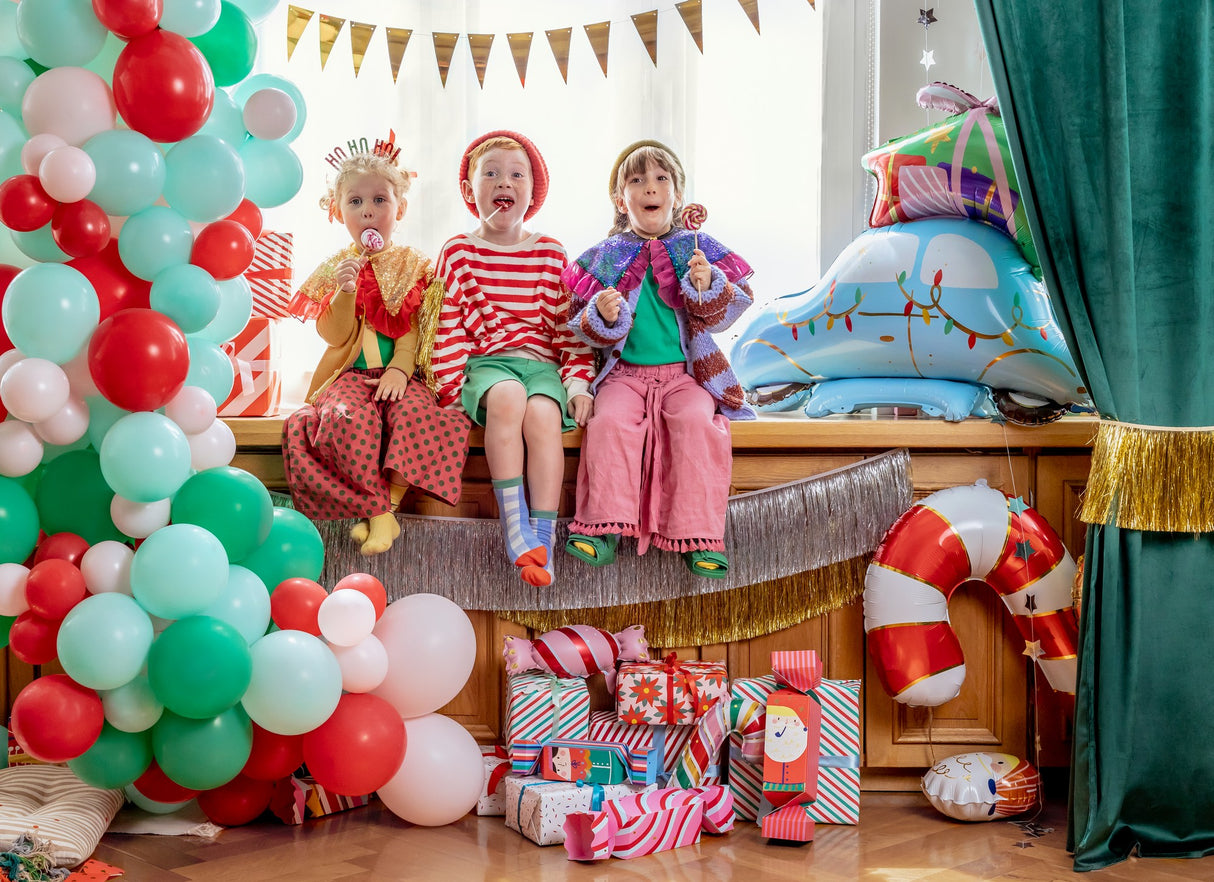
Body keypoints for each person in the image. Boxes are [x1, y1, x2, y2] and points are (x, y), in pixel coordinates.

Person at [561, 139, 756, 578]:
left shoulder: (697, 249)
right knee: (608, 424)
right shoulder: (605, 257)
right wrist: (603, 315)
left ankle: (698, 535)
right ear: (620, 199)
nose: (650, 187)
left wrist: (706, 286)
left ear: (678, 196)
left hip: (685, 375)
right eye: (637, 180)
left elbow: (728, 312)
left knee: (696, 425)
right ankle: (600, 529)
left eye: (661, 178)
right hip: (623, 376)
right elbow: (578, 323)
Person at [282, 139, 471, 556]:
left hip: (399, 373)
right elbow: (334, 336)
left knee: (419, 414)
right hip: (348, 375)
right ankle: (380, 515)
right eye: (355, 201)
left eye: (379, 199)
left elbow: (414, 330)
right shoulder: (334, 267)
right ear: (339, 211)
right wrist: (345, 291)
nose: (367, 209)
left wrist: (400, 370)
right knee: (344, 417)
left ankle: (385, 507)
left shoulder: (412, 264)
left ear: (399, 209)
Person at [433, 130, 594, 587]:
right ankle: (514, 526)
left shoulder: (551, 252)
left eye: (516, 174)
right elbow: (447, 327)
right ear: (470, 190)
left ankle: (543, 536)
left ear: (531, 193)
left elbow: (570, 331)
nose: (505, 181)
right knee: (507, 398)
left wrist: (579, 385)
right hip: (489, 364)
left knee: (543, 415)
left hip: (541, 365)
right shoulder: (458, 252)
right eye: (492, 173)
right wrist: (448, 390)